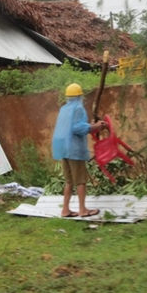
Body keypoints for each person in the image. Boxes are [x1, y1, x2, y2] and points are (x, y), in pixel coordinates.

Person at [52, 83, 107, 218]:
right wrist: (95, 127)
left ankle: (65, 210)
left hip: (63, 148)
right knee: (80, 181)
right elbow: (77, 128)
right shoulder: (78, 108)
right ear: (79, 96)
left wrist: (92, 126)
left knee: (69, 181)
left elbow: (73, 125)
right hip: (74, 149)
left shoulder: (64, 109)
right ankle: (83, 210)